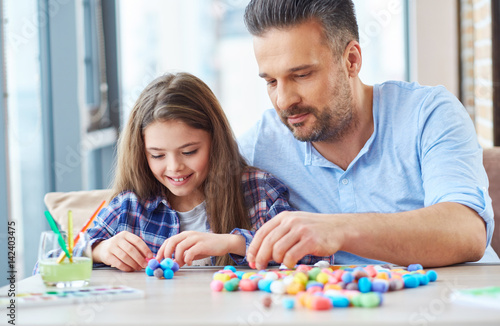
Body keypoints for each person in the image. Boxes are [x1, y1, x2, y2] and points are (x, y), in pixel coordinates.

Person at [238, 0, 498, 270]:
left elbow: (467, 231)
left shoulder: (429, 113)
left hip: (462, 303)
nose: (283, 100)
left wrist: (338, 229)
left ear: (351, 60)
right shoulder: (262, 143)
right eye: (270, 81)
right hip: (338, 309)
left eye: (302, 74)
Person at [86, 72, 333, 272]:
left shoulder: (257, 191)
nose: (174, 167)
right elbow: (59, 255)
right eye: (158, 155)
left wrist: (232, 243)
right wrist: (100, 249)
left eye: (189, 151)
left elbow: (316, 257)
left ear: (215, 142)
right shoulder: (131, 207)